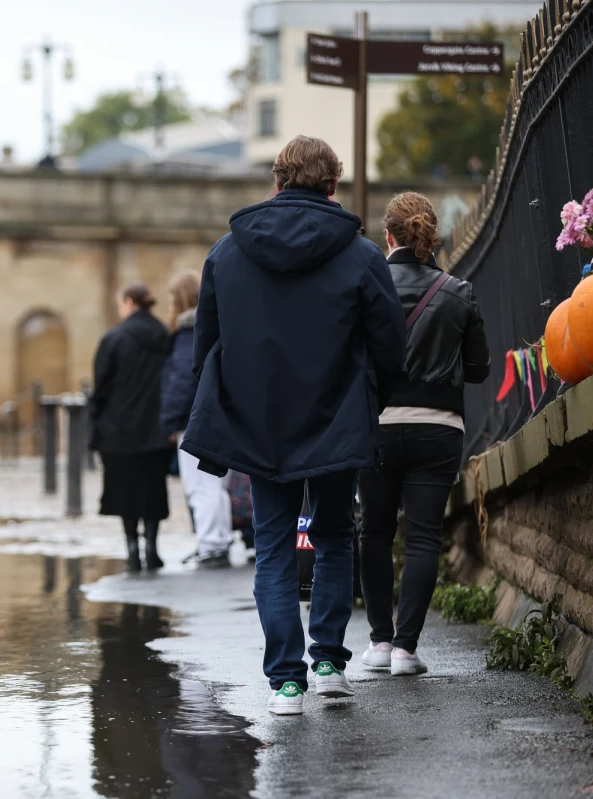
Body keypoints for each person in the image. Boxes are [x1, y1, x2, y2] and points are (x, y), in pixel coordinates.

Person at [182, 135, 406, 715]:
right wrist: (369, 399)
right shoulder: (361, 256)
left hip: (259, 423)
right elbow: (390, 346)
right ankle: (328, 662)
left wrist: (229, 406)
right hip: (336, 414)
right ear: (332, 186)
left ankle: (285, 681)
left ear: (277, 181)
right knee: (333, 535)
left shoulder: (227, 253)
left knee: (274, 545)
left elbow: (206, 347)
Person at [358, 192, 490, 676]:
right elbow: (478, 369)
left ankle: (379, 641)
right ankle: (405, 650)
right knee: (422, 538)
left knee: (373, 532)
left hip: (376, 426)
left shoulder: (367, 288)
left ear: (387, 235)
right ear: (432, 236)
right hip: (437, 428)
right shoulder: (459, 292)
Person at [90, 282, 174, 573]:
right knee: (153, 488)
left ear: (129, 302)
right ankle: (151, 546)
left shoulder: (113, 339)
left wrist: (96, 420)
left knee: (124, 490)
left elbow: (101, 386)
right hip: (156, 428)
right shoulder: (165, 336)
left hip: (119, 429)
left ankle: (132, 548)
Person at [160, 270, 235, 569]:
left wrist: (169, 420)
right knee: (216, 485)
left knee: (201, 486)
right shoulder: (220, 324)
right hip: (221, 416)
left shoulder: (187, 332)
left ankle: (211, 545)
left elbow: (182, 380)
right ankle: (218, 541)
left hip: (196, 419)